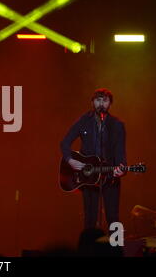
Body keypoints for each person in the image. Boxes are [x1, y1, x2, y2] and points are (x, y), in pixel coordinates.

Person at [60, 88, 126, 229]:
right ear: (92, 102)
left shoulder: (117, 125)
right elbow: (65, 143)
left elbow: (121, 153)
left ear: (110, 104)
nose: (101, 103)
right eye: (98, 100)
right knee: (90, 218)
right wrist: (70, 160)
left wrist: (121, 168)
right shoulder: (83, 121)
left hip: (110, 177)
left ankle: (117, 249)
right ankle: (89, 250)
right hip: (89, 178)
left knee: (113, 219)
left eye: (105, 100)